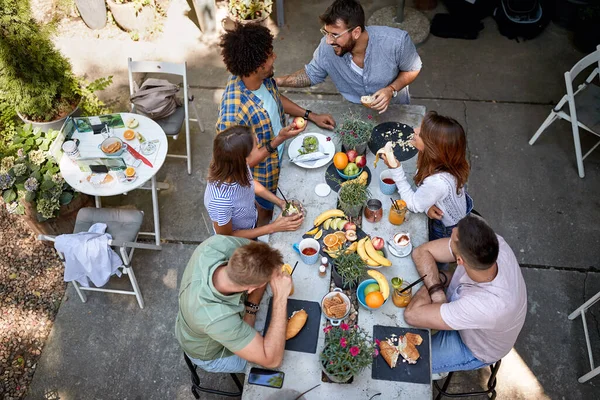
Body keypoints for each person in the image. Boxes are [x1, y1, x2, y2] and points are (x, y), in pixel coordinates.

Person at [217, 23, 335, 225]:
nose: (275, 57)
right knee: (265, 215)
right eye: (270, 54)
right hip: (264, 178)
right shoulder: (233, 113)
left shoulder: (260, 78)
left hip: (284, 158)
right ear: (258, 65)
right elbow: (236, 168)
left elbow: (274, 98)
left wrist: (310, 115)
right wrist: (277, 140)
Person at [403, 215, 528, 374]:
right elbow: (421, 252)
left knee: (405, 361)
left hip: (476, 347)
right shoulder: (491, 244)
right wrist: (437, 289)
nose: (452, 230)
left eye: (453, 237)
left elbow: (412, 316)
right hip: (468, 310)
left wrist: (440, 278)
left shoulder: (486, 305)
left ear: (460, 260)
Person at [275, 0, 422, 114]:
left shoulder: (397, 42)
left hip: (395, 108)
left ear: (356, 32)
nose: (328, 41)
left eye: (335, 35)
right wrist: (278, 81)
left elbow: (412, 69)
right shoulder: (327, 47)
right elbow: (311, 74)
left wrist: (391, 89)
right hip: (353, 111)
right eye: (326, 32)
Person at [175, 235, 292, 373]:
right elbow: (272, 360)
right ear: (251, 289)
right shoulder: (215, 316)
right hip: (213, 354)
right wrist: (281, 297)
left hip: (200, 323)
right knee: (280, 368)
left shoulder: (215, 244)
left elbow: (258, 253)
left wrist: (250, 309)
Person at [381, 111, 472, 241]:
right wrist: (428, 206)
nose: (415, 130)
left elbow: (413, 204)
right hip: (449, 208)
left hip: (446, 227)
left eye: (421, 133)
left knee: (438, 251)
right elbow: (430, 193)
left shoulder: (437, 182)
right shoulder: (443, 160)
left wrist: (396, 170)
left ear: (433, 148)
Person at [205, 125, 303, 238]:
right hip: (239, 241)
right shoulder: (220, 202)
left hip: (250, 220)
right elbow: (228, 236)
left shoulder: (234, 165)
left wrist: (280, 202)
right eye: (256, 147)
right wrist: (274, 227)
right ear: (245, 159)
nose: (259, 143)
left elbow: (251, 183)